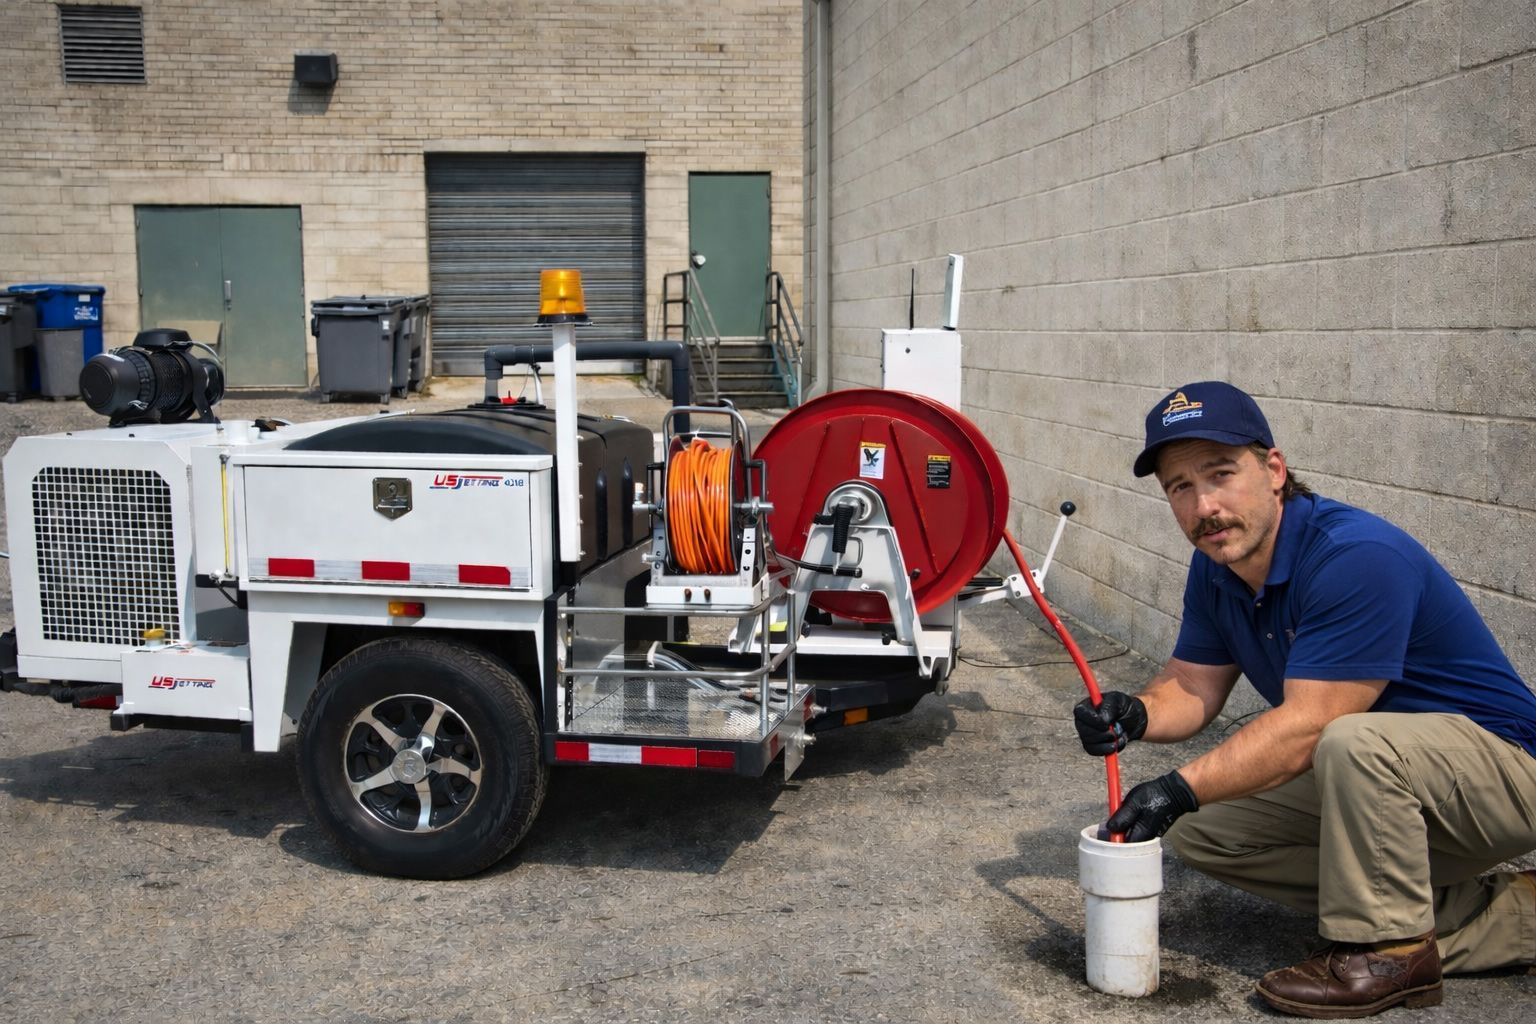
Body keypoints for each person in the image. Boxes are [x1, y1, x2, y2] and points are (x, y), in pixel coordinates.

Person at [1074, 380, 1536, 1019]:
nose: (1204, 505)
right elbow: (1194, 683)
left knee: (1347, 739)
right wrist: (1138, 714)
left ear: (1273, 470)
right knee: (1207, 832)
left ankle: (1393, 953)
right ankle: (1513, 919)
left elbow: (1313, 725)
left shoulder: (1355, 556)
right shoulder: (1219, 566)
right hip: (1385, 782)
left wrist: (1174, 787)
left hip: (1507, 769)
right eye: (1180, 486)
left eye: (1221, 473)